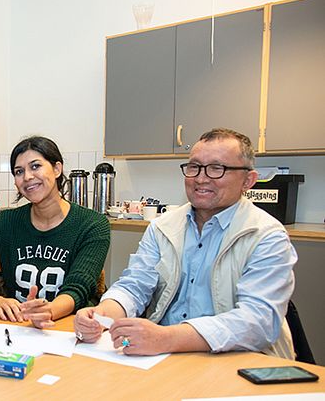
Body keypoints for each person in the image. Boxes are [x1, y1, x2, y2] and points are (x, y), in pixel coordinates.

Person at [74, 128, 297, 359]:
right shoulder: (163, 227)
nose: (200, 178)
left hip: (238, 359)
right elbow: (134, 285)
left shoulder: (267, 236)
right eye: (194, 167)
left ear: (248, 180)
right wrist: (101, 314)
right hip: (166, 356)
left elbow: (257, 322)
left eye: (216, 168)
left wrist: (166, 338)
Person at [0, 136, 110, 329]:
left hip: (71, 329)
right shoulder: (3, 224)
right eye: (19, 171)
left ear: (57, 169)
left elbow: (78, 288)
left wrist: (47, 311)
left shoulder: (93, 225)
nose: (27, 177)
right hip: (18, 328)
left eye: (35, 166)